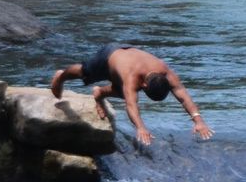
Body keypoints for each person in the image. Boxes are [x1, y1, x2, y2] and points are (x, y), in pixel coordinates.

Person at [50, 44, 214, 145]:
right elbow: (131, 105)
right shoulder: (132, 78)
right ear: (143, 84)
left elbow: (183, 95)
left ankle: (99, 93)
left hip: (125, 57)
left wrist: (198, 121)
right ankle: (61, 76)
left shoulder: (165, 72)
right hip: (110, 56)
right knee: (84, 72)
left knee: (124, 92)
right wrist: (141, 128)